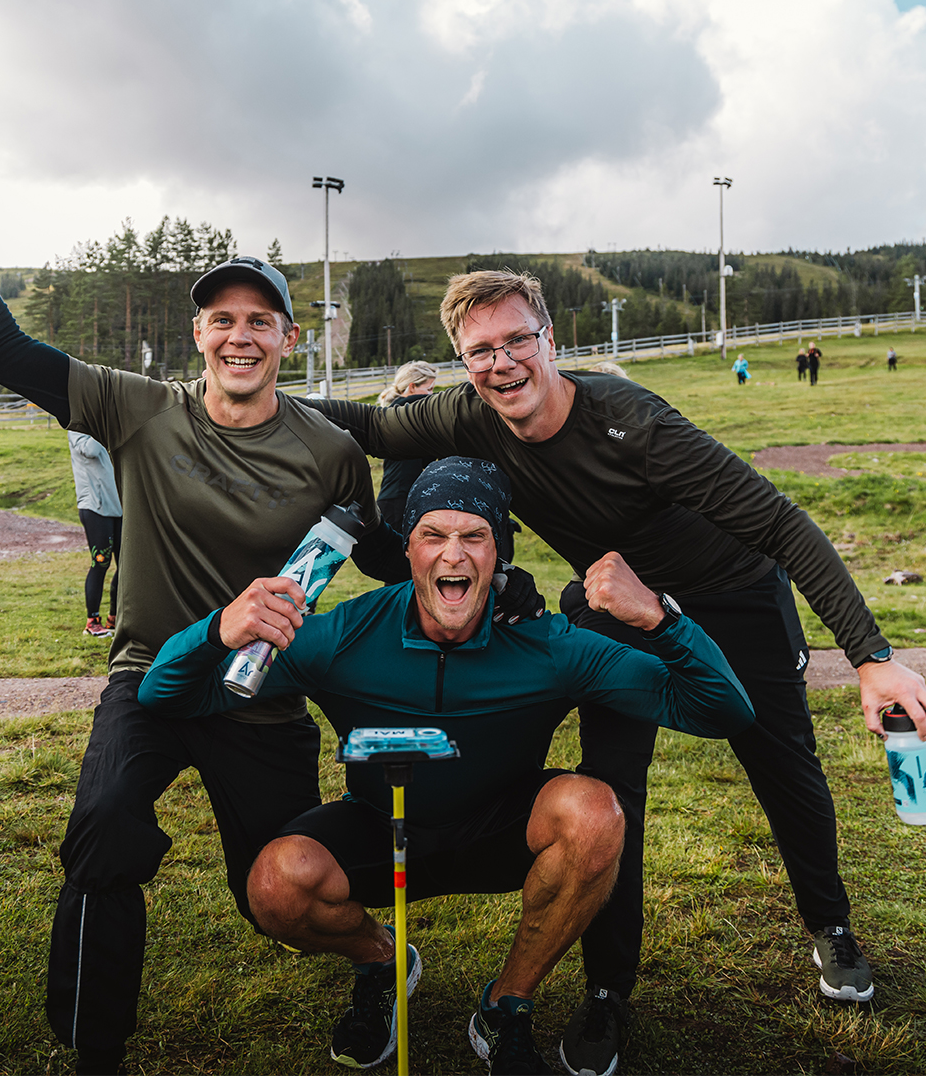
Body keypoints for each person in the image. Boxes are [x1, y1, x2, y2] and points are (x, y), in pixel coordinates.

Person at [305, 270, 926, 1075]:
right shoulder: (469, 410)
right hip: (614, 604)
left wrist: (871, 658)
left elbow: (783, 525)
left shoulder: (634, 422)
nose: (501, 364)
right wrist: (238, 396)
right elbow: (366, 423)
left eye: (516, 342)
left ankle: (831, 925)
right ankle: (607, 993)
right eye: (480, 351)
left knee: (782, 766)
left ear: (551, 344)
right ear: (463, 361)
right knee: (613, 792)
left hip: (735, 595)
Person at [0, 136, 415, 1074]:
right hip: (148, 677)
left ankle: (382, 966)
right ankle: (94, 1050)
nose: (240, 336)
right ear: (199, 337)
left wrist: (476, 580)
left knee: (280, 890)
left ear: (287, 340)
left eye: (261, 321)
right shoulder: (138, 409)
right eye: (223, 319)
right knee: (102, 829)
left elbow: (379, 552)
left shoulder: (328, 451)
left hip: (261, 698)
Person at [139, 457, 754, 1075]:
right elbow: (166, 694)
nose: (453, 556)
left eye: (474, 537)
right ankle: (383, 961)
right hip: (382, 826)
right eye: (433, 535)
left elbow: (721, 710)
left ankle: (507, 1003)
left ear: (498, 555)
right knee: (273, 888)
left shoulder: (551, 646)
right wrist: (219, 629)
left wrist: (658, 616)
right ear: (408, 550)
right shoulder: (342, 637)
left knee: (596, 814)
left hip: (499, 826)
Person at [374, 360, 440, 532]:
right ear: (412, 387)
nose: (431, 395)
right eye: (429, 389)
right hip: (396, 501)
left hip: (402, 498)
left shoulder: (409, 418)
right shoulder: (400, 410)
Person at [69, 430, 123, 637]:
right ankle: (92, 622)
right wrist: (101, 424)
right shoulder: (77, 430)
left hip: (119, 507)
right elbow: (90, 450)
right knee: (101, 562)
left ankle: (114, 618)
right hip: (95, 508)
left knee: (126, 565)